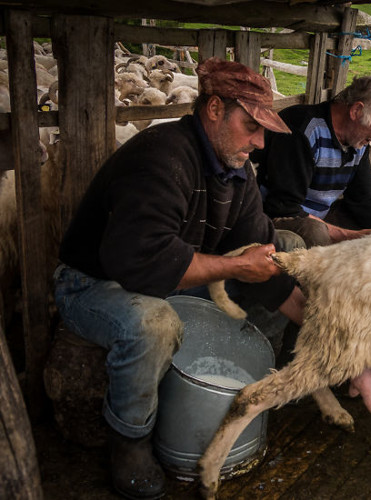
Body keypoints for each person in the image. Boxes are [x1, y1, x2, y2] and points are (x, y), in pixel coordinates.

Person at [53, 58, 306, 500]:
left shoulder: (236, 172)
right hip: (94, 282)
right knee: (155, 323)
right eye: (250, 125)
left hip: (164, 276)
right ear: (213, 109)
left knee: (285, 247)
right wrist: (232, 267)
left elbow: (263, 260)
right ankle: (129, 440)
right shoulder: (161, 156)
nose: (260, 142)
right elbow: (138, 261)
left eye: (263, 130)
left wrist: (326, 329)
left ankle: (245, 387)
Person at [250, 70, 371, 248]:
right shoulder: (304, 129)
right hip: (275, 218)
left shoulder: (358, 139)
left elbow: (363, 199)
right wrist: (348, 235)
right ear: (357, 111)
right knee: (315, 232)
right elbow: (284, 208)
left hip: (318, 216)